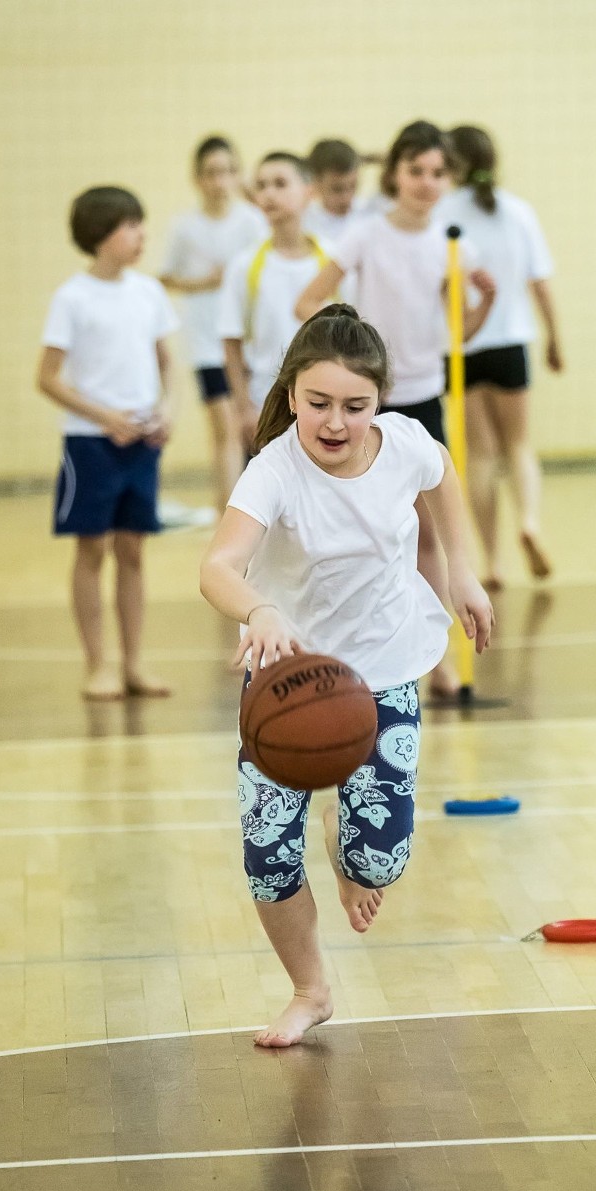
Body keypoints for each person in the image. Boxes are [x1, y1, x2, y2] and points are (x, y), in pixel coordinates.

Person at [199, 305, 493, 1047]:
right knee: (267, 854)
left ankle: (346, 834)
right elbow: (217, 566)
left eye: (356, 407)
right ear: (292, 393)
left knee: (378, 861)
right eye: (319, 403)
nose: (336, 422)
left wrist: (462, 571)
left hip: (384, 666)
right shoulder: (272, 471)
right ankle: (310, 989)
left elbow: (442, 474)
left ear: (380, 402)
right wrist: (260, 609)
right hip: (287, 680)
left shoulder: (402, 444)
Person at [296, 121, 496, 695]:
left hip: (424, 393)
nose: (426, 183)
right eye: (415, 171)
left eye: (437, 173)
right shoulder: (364, 236)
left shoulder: (453, 243)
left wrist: (486, 298)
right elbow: (308, 301)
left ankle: (436, 663)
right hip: (365, 406)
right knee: (367, 529)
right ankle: (349, 647)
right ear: (394, 175)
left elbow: (461, 332)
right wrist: (343, 354)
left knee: (427, 534)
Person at [36, 186, 178, 700]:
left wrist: (168, 409)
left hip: (142, 441)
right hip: (90, 445)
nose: (141, 235)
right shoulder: (71, 297)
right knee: (92, 549)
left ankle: (135, 662)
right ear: (100, 234)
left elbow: (166, 362)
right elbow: (48, 378)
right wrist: (105, 418)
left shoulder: (149, 293)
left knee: (133, 552)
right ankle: (98, 664)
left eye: (141, 224)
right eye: (130, 226)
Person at [438, 125, 565, 590]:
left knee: (482, 454)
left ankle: (493, 562)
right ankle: (529, 521)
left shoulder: (443, 213)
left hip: (463, 345)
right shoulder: (518, 212)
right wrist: (555, 337)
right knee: (519, 445)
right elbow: (541, 282)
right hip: (512, 340)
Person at [160, 136, 267, 511]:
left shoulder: (253, 221)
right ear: (198, 178)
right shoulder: (184, 227)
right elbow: (166, 277)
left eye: (228, 171)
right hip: (206, 342)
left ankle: (258, 513)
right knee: (226, 428)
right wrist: (205, 282)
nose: (220, 180)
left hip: (251, 342)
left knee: (254, 426)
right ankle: (228, 514)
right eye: (212, 173)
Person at [218, 152, 330, 453]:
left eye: (280, 184)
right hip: (266, 406)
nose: (268, 194)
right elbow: (231, 342)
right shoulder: (244, 265)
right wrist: (244, 409)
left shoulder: (334, 259)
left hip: (328, 409)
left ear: (309, 192)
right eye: (262, 185)